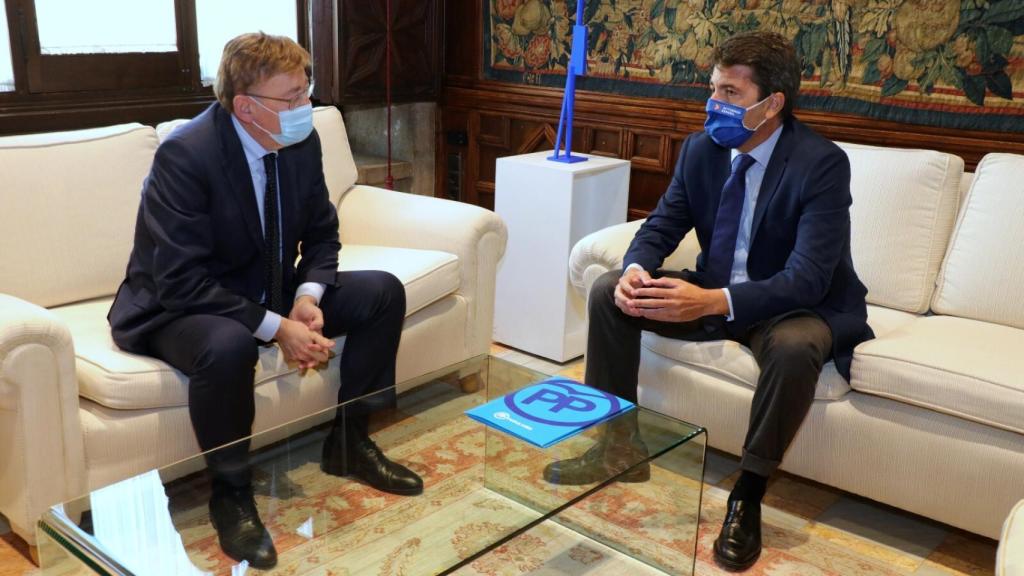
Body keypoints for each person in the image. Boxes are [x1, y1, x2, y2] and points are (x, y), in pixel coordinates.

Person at [543, 31, 873, 571]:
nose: (713, 103)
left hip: (787, 307)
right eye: (713, 88)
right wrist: (633, 270)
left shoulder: (821, 163)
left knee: (794, 349)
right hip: (712, 290)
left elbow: (809, 278)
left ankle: (748, 493)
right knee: (607, 293)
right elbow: (662, 225)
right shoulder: (702, 150)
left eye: (730, 92)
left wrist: (713, 301)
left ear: (772, 104)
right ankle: (617, 448)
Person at [107, 32, 422, 569]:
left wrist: (307, 296)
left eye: (308, 91)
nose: (308, 107)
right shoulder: (186, 155)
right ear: (247, 106)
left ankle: (349, 440)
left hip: (265, 288)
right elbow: (180, 278)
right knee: (230, 345)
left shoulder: (302, 141)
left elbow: (323, 233)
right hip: (174, 304)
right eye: (294, 97)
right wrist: (276, 328)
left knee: (382, 292)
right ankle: (230, 492)